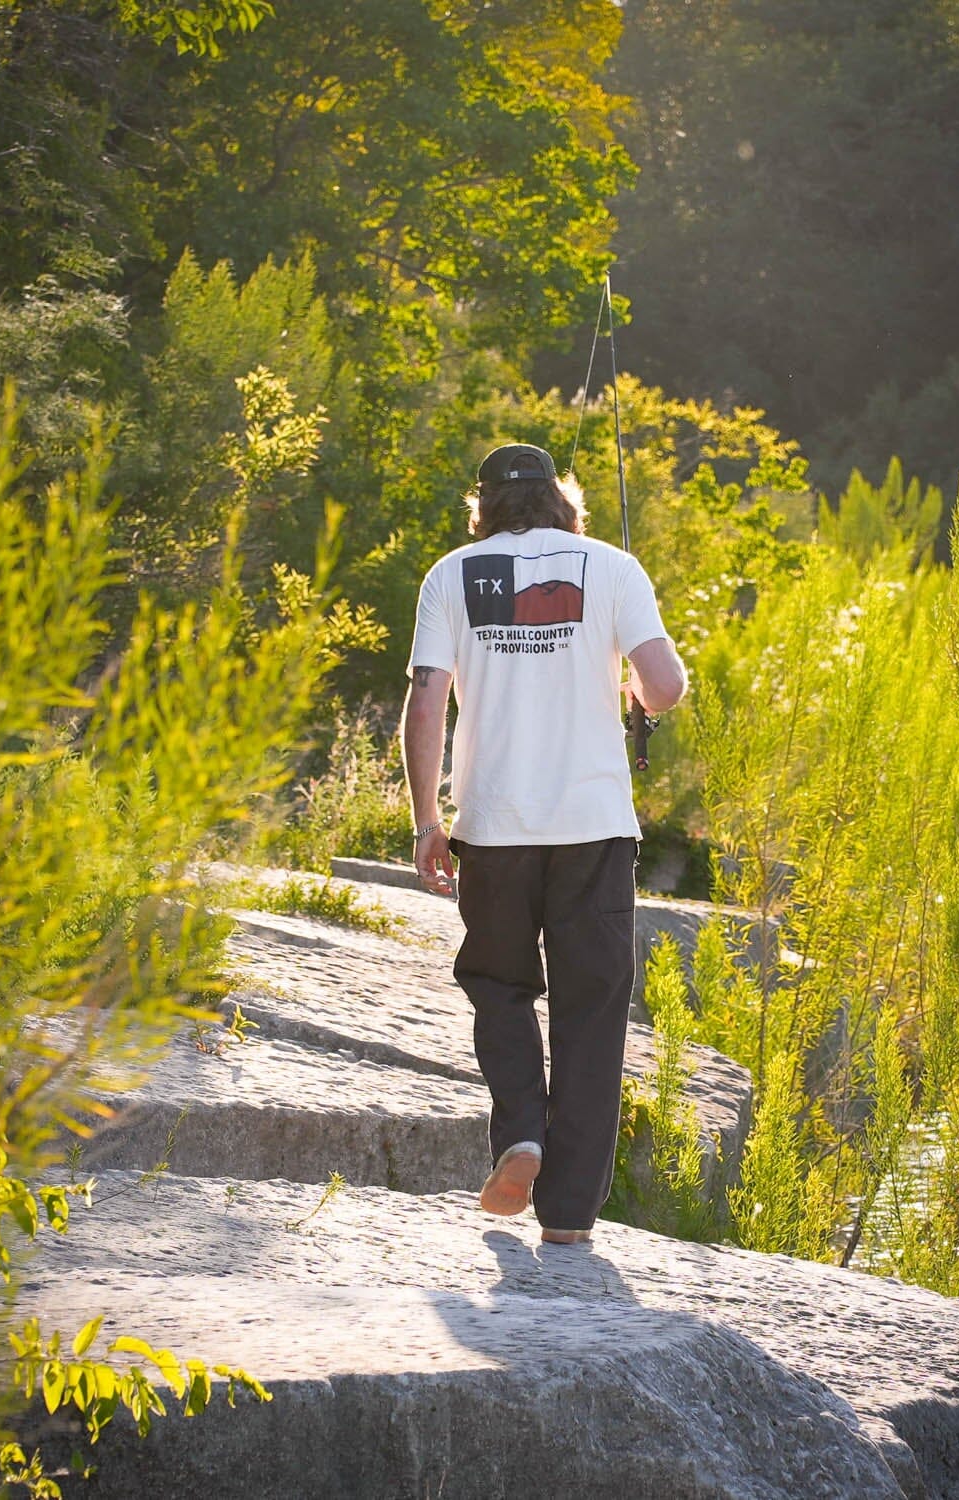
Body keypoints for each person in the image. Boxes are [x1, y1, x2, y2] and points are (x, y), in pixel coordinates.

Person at [401, 441, 687, 1246]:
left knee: (499, 986)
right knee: (592, 1014)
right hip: (595, 829)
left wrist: (428, 820)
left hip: (492, 828)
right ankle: (568, 1218)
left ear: (483, 504)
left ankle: (521, 1133)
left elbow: (427, 704)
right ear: (563, 500)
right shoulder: (613, 567)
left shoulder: (451, 574)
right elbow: (662, 687)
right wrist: (634, 685)